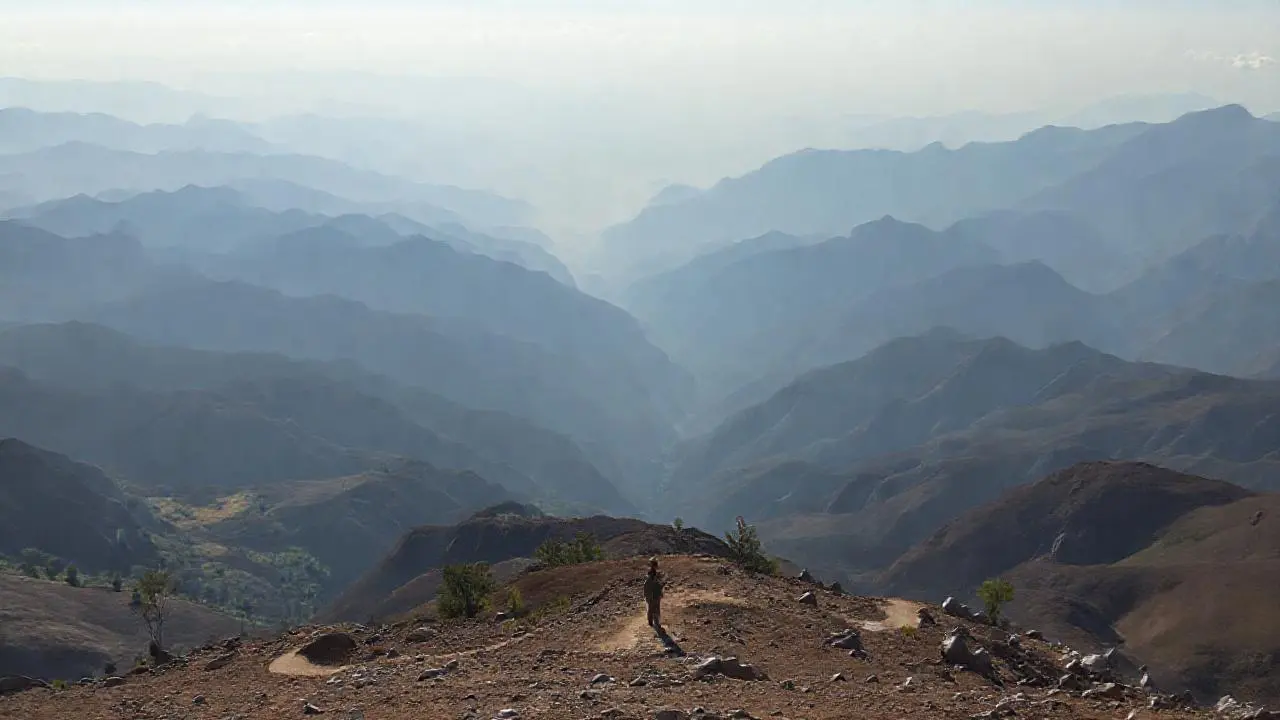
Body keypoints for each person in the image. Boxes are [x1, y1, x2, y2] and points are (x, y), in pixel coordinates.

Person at [643, 557, 664, 628]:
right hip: (653, 593)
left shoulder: (651, 574)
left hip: (652, 594)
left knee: (651, 608)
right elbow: (658, 584)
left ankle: (652, 622)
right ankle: (655, 622)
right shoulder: (653, 574)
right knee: (655, 608)